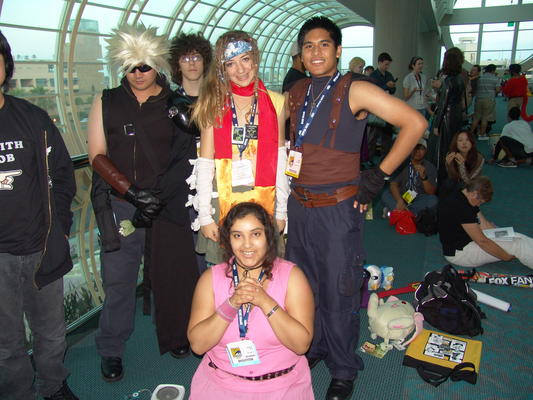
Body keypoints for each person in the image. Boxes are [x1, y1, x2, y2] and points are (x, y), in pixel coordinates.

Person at [285, 17, 427, 400]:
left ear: (338, 50)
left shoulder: (356, 88)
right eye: (309, 45)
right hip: (298, 206)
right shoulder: (296, 91)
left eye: (324, 44)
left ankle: (343, 367)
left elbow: (414, 123)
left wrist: (378, 176)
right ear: (301, 54)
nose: (316, 52)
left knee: (339, 289)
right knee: (303, 286)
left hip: (337, 209)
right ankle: (314, 345)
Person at [88, 24, 198, 381]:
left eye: (145, 66)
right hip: (123, 204)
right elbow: (96, 155)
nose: (138, 73)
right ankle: (110, 348)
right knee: (118, 280)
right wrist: (132, 192)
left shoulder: (175, 103)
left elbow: (186, 156)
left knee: (173, 276)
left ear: (158, 64)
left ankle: (177, 334)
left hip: (166, 204)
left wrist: (159, 197)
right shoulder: (106, 101)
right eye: (131, 66)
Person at [0, 31, 78, 400]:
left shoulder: (32, 118)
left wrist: (60, 228)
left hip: (41, 247)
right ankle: (17, 393)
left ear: (6, 65)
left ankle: (54, 386)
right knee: (6, 341)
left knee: (51, 331)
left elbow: (63, 174)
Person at [188, 202, 314, 399]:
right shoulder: (210, 279)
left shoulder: (292, 277)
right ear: (228, 240)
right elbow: (198, 345)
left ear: (268, 237)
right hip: (221, 383)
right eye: (237, 235)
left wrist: (265, 302)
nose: (247, 245)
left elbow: (301, 345)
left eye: (255, 234)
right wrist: (231, 305)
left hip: (282, 386)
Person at [192, 31, 289, 266]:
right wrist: (204, 215)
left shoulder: (276, 102)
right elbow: (205, 162)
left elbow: (280, 159)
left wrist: (281, 211)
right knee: (222, 274)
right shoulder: (212, 103)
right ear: (222, 69)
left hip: (265, 197)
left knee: (265, 274)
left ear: (255, 59)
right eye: (231, 64)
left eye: (245, 59)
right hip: (223, 198)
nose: (240, 69)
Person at [168, 32, 213, 273]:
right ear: (177, 64)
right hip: (184, 189)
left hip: (216, 182)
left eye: (196, 57)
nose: (192, 63)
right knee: (193, 254)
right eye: (185, 58)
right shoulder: (169, 103)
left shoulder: (218, 98)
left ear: (205, 60)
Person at [438, 176, 533, 269]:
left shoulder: (464, 194)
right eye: (480, 202)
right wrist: (506, 257)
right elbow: (482, 241)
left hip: (470, 239)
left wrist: (503, 235)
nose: (479, 205)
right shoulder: (462, 207)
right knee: (517, 245)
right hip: (461, 253)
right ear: (474, 194)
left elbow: (485, 225)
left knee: (519, 237)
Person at [428, 47, 467, 183]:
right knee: (452, 146)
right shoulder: (460, 78)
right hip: (455, 115)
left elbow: (443, 105)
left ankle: (439, 177)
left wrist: (436, 125)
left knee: (439, 149)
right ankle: (452, 175)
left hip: (446, 118)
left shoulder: (449, 81)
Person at [381, 138, 438, 217]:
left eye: (421, 149)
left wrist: (424, 178)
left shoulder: (430, 167)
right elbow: (393, 184)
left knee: (433, 200)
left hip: (419, 197)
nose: (418, 152)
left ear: (426, 151)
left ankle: (400, 213)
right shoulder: (403, 164)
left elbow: (431, 192)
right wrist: (399, 200)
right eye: (415, 148)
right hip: (402, 195)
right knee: (385, 195)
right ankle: (410, 215)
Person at [369, 52, 397, 159]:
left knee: (387, 135)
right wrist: (386, 85)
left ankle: (385, 158)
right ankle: (370, 158)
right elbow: (372, 91)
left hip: (387, 108)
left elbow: (393, 90)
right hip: (376, 108)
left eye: (388, 65)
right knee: (373, 136)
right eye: (386, 64)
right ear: (379, 63)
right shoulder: (373, 75)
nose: (387, 67)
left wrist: (392, 86)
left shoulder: (389, 75)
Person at [470, 64, 501, 140]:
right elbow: (498, 90)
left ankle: (470, 133)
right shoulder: (495, 78)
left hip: (478, 99)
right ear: (493, 70)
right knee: (485, 117)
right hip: (489, 99)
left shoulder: (480, 78)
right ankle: (482, 134)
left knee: (476, 117)